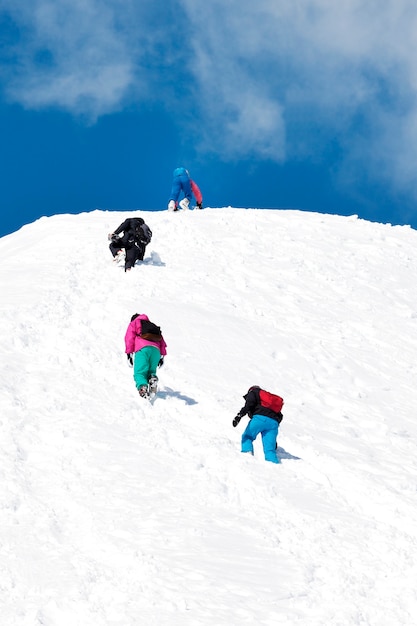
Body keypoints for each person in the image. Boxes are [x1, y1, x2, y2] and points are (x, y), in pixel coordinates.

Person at [232, 386, 283, 464]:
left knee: (247, 437)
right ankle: (274, 467)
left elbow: (249, 405)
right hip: (274, 423)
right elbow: (280, 416)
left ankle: (247, 457)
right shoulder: (269, 401)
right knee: (270, 449)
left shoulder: (254, 392)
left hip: (260, 418)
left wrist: (239, 416)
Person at [124, 313, 167, 398]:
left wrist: (129, 353)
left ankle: (143, 387)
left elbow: (129, 338)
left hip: (142, 349)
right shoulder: (151, 326)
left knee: (139, 372)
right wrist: (162, 356)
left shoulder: (134, 323)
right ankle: (152, 379)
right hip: (156, 351)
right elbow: (162, 341)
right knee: (151, 371)